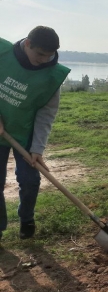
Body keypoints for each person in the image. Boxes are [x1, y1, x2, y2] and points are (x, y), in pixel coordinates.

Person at [0, 26, 70, 241]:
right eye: (39, 54)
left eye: (48, 56)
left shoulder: (52, 77)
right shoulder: (2, 53)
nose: (43, 60)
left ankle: (26, 218)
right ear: (28, 43)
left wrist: (37, 148)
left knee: (30, 180)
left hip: (26, 132)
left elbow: (46, 114)